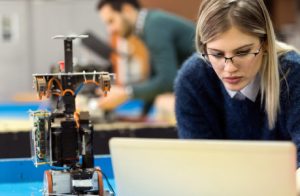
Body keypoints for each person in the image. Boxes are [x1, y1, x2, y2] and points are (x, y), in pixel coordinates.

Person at [175, 0, 300, 168]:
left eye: (242, 52)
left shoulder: (292, 74)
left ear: (265, 44)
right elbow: (201, 165)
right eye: (217, 54)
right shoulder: (192, 80)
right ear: (204, 49)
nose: (230, 68)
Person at [97, 0, 195, 114]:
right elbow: (155, 75)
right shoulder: (150, 24)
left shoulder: (154, 26)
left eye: (111, 21)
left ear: (127, 9)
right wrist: (143, 115)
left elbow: (168, 80)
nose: (110, 30)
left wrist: (126, 93)